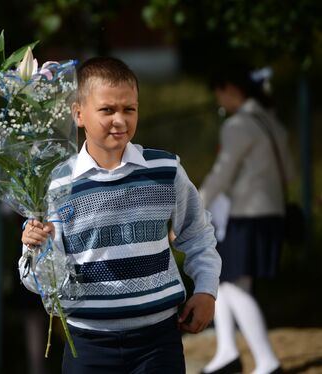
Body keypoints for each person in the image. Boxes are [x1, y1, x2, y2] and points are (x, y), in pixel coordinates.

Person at [19, 57, 222, 374]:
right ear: (78, 113)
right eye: (107, 110)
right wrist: (34, 247)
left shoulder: (165, 170)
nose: (120, 119)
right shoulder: (56, 184)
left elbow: (197, 233)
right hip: (87, 347)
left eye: (130, 109)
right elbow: (44, 282)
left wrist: (207, 289)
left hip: (158, 344)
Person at [198, 65, 292, 374]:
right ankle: (227, 352)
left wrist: (193, 209)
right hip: (270, 213)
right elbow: (289, 172)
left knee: (232, 285)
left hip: (247, 215)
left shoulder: (239, 125)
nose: (219, 100)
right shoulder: (271, 122)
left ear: (232, 89)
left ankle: (267, 361)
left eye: (220, 92)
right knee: (228, 283)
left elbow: (220, 175)